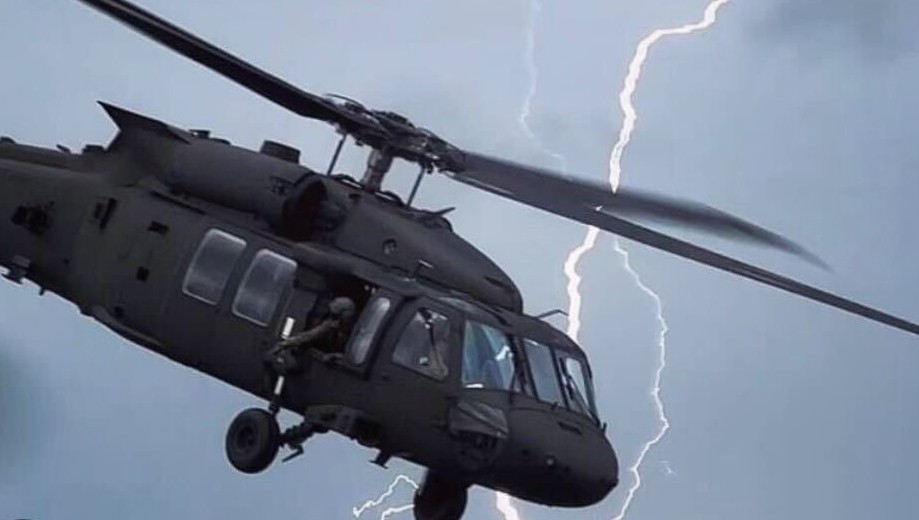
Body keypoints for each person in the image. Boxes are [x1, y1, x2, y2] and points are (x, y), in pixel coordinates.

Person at [265, 296, 356, 373]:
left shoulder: (353, 330)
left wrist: (337, 356)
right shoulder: (332, 324)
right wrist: (285, 343)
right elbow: (310, 335)